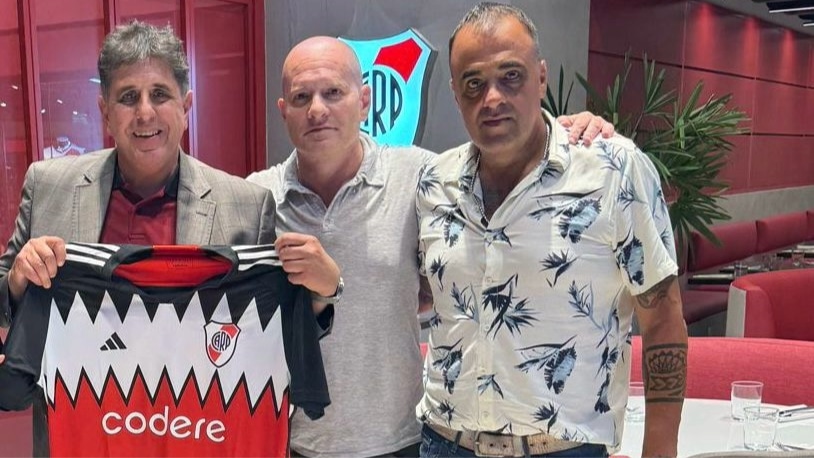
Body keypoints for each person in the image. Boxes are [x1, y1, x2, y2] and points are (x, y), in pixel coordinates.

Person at [247, 35, 613, 458]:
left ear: (363, 101)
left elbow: (508, 165)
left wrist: (567, 131)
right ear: (283, 110)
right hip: (290, 441)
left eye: (333, 92)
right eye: (301, 97)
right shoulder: (257, 199)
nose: (317, 109)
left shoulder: (422, 176)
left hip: (403, 440)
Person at [416, 3, 687, 458]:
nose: (492, 98)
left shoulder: (613, 171)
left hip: (563, 449)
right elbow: (427, 296)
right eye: (474, 83)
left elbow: (662, 318)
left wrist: (660, 451)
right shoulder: (432, 183)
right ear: (455, 93)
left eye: (511, 76)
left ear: (540, 77)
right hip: (445, 443)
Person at [0, 21, 340, 331]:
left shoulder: (247, 208)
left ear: (185, 107)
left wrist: (323, 295)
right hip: (77, 382)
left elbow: (271, 331)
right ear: (105, 113)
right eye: (128, 97)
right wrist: (15, 281)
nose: (145, 113)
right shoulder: (47, 186)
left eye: (159, 94)